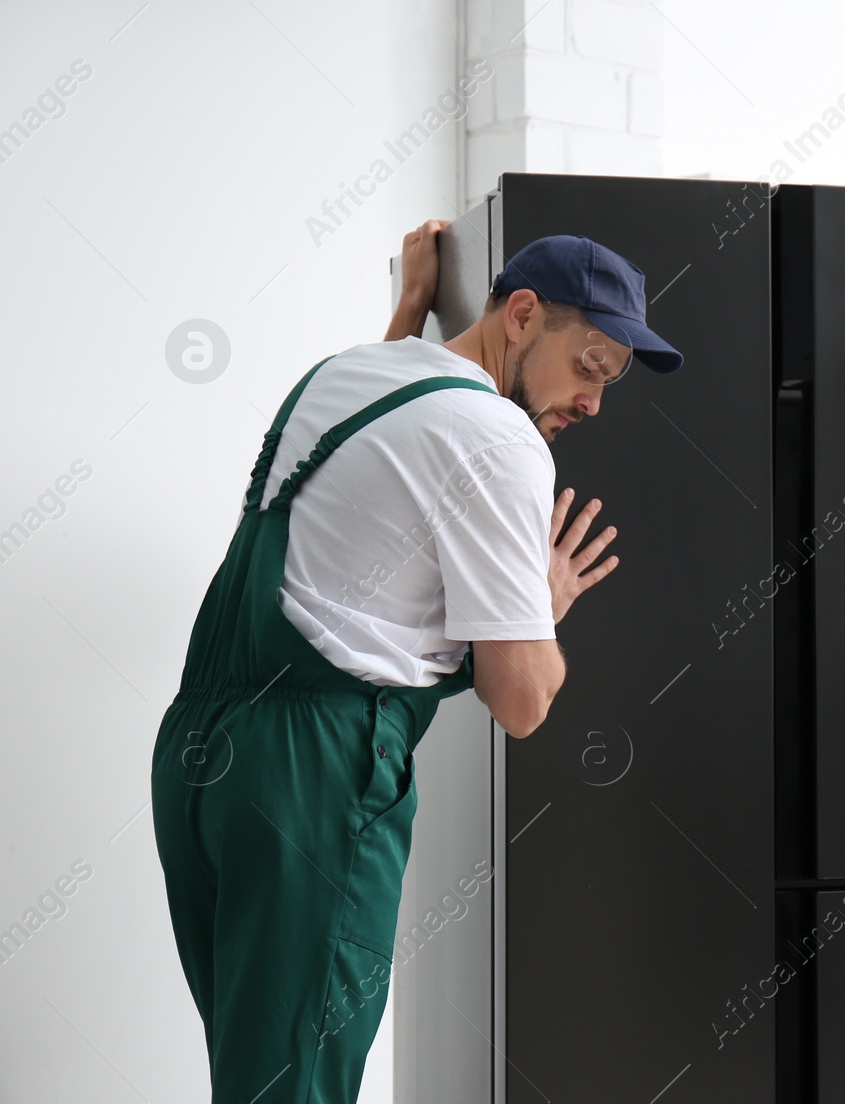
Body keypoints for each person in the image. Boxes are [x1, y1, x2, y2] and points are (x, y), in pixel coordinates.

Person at [149, 222, 683, 1101]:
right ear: (521, 315)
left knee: (261, 1077)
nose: (594, 402)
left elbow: (398, 440)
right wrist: (540, 608)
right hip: (314, 784)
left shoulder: (347, 371)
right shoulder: (504, 443)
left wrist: (409, 303)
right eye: (592, 365)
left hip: (203, 760)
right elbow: (522, 701)